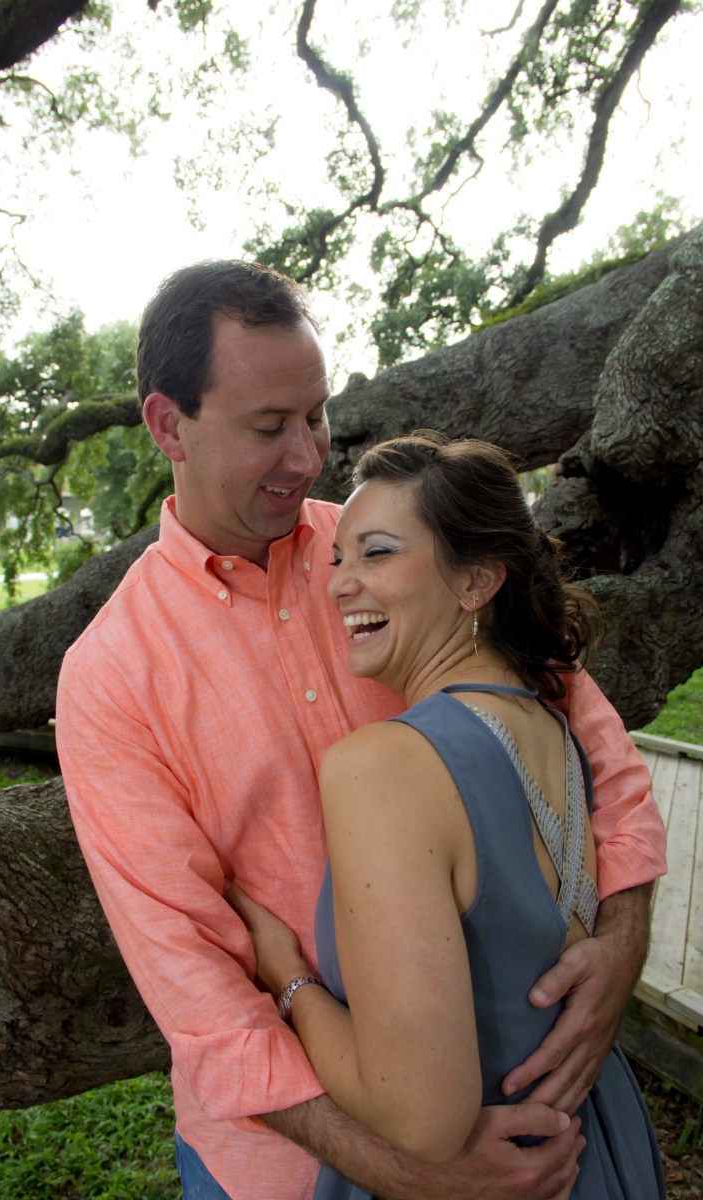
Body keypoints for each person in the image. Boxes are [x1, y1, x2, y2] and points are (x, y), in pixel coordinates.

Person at [55, 260, 666, 1200]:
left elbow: (599, 751)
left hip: (531, 1112)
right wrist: (410, 1169)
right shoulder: (110, 678)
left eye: (316, 416)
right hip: (287, 1165)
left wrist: (623, 939)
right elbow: (198, 991)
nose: (307, 456)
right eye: (269, 427)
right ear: (168, 424)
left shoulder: (399, 551)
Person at [228, 431, 666, 1200]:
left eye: (378, 554)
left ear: (475, 583)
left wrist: (289, 981)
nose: (339, 586)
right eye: (340, 559)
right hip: (601, 1143)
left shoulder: (384, 767)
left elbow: (422, 1118)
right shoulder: (554, 731)